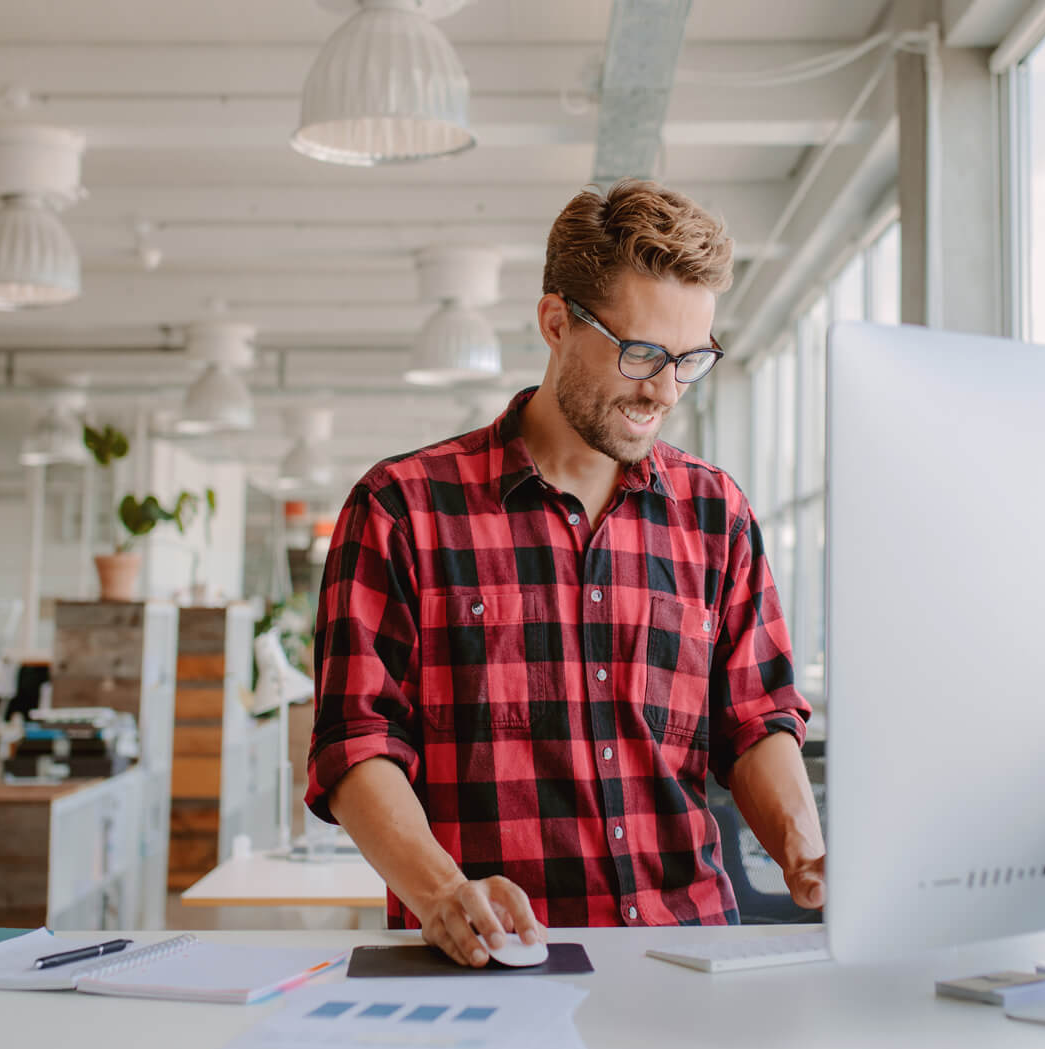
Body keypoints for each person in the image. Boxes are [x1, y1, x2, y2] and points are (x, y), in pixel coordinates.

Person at [307, 179, 823, 966]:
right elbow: (356, 744)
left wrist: (806, 855)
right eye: (643, 352)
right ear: (556, 323)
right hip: (491, 964)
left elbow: (756, 719)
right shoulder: (401, 509)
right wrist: (444, 892)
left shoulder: (717, 513)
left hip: (686, 958)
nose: (665, 389)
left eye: (692, 359)